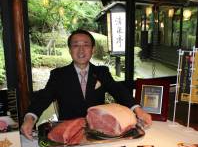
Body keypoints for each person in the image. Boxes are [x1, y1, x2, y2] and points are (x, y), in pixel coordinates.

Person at [21, 29, 152, 140]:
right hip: (69, 134)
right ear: (70, 50)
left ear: (93, 49)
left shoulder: (102, 72)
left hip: (99, 132)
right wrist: (30, 118)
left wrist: (138, 110)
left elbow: (118, 90)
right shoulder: (58, 75)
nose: (81, 50)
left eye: (86, 45)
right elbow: (44, 97)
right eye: (76, 45)